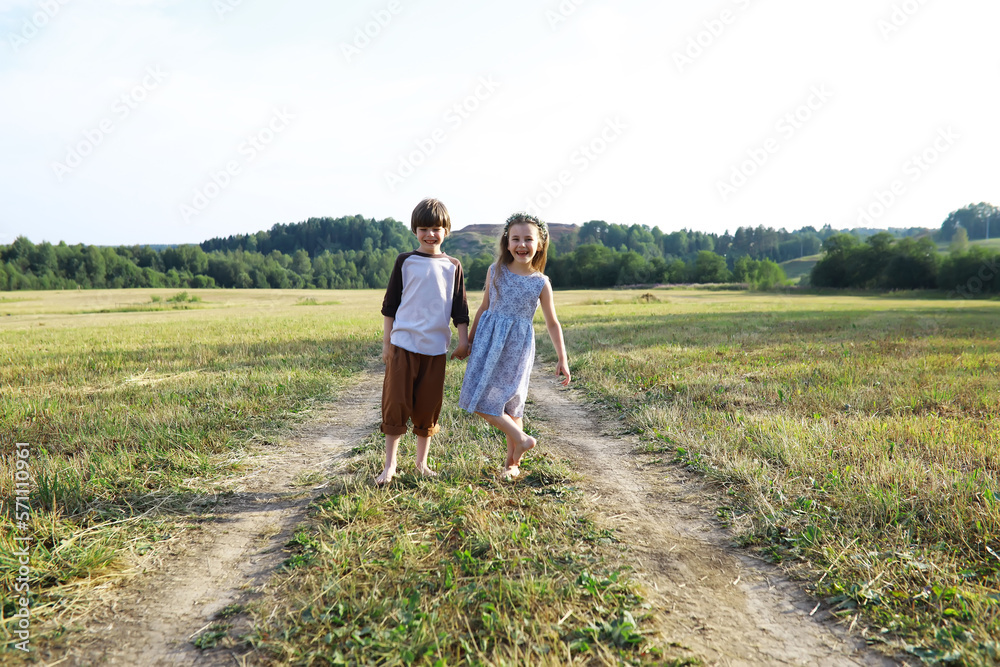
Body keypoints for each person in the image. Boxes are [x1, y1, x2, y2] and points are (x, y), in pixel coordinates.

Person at [458, 212, 570, 479]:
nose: (522, 245)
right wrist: (469, 341)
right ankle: (521, 439)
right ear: (507, 243)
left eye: (528, 239)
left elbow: (553, 323)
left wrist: (562, 358)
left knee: (510, 404)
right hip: (488, 342)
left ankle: (512, 463)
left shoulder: (540, 283)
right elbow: (484, 307)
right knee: (482, 399)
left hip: (517, 347)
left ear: (540, 244)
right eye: (516, 239)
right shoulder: (495, 271)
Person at [376, 198, 470, 486]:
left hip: (435, 350)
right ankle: (390, 465)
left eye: (436, 228)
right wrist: (387, 344)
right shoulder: (405, 261)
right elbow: (390, 305)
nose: (430, 234)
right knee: (396, 404)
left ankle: (421, 464)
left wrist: (463, 341)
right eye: (424, 228)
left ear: (447, 231)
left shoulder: (453, 266)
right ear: (414, 231)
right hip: (403, 345)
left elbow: (460, 309)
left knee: (428, 407)